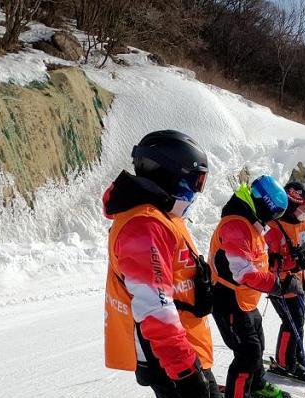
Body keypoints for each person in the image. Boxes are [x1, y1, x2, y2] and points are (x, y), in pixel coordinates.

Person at [103, 130, 221, 398]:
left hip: (183, 348)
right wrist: (186, 371)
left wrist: (198, 285)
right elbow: (154, 307)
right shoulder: (145, 224)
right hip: (171, 359)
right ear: (169, 173)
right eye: (194, 180)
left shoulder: (164, 215)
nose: (195, 190)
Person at [209, 175, 303, 398]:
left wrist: (278, 267)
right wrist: (280, 284)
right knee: (248, 353)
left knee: (257, 345)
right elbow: (244, 273)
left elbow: (257, 261)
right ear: (265, 206)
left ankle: (258, 385)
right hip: (228, 299)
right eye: (274, 214)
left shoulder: (250, 223)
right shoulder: (236, 225)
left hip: (245, 300)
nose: (273, 220)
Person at [265, 182, 305, 382]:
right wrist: (279, 261)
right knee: (292, 321)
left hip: (299, 280)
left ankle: (297, 356)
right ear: (291, 204)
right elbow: (264, 260)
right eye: (303, 207)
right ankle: (284, 362)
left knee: (298, 321)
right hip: (280, 283)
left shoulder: (304, 223)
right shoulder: (273, 227)